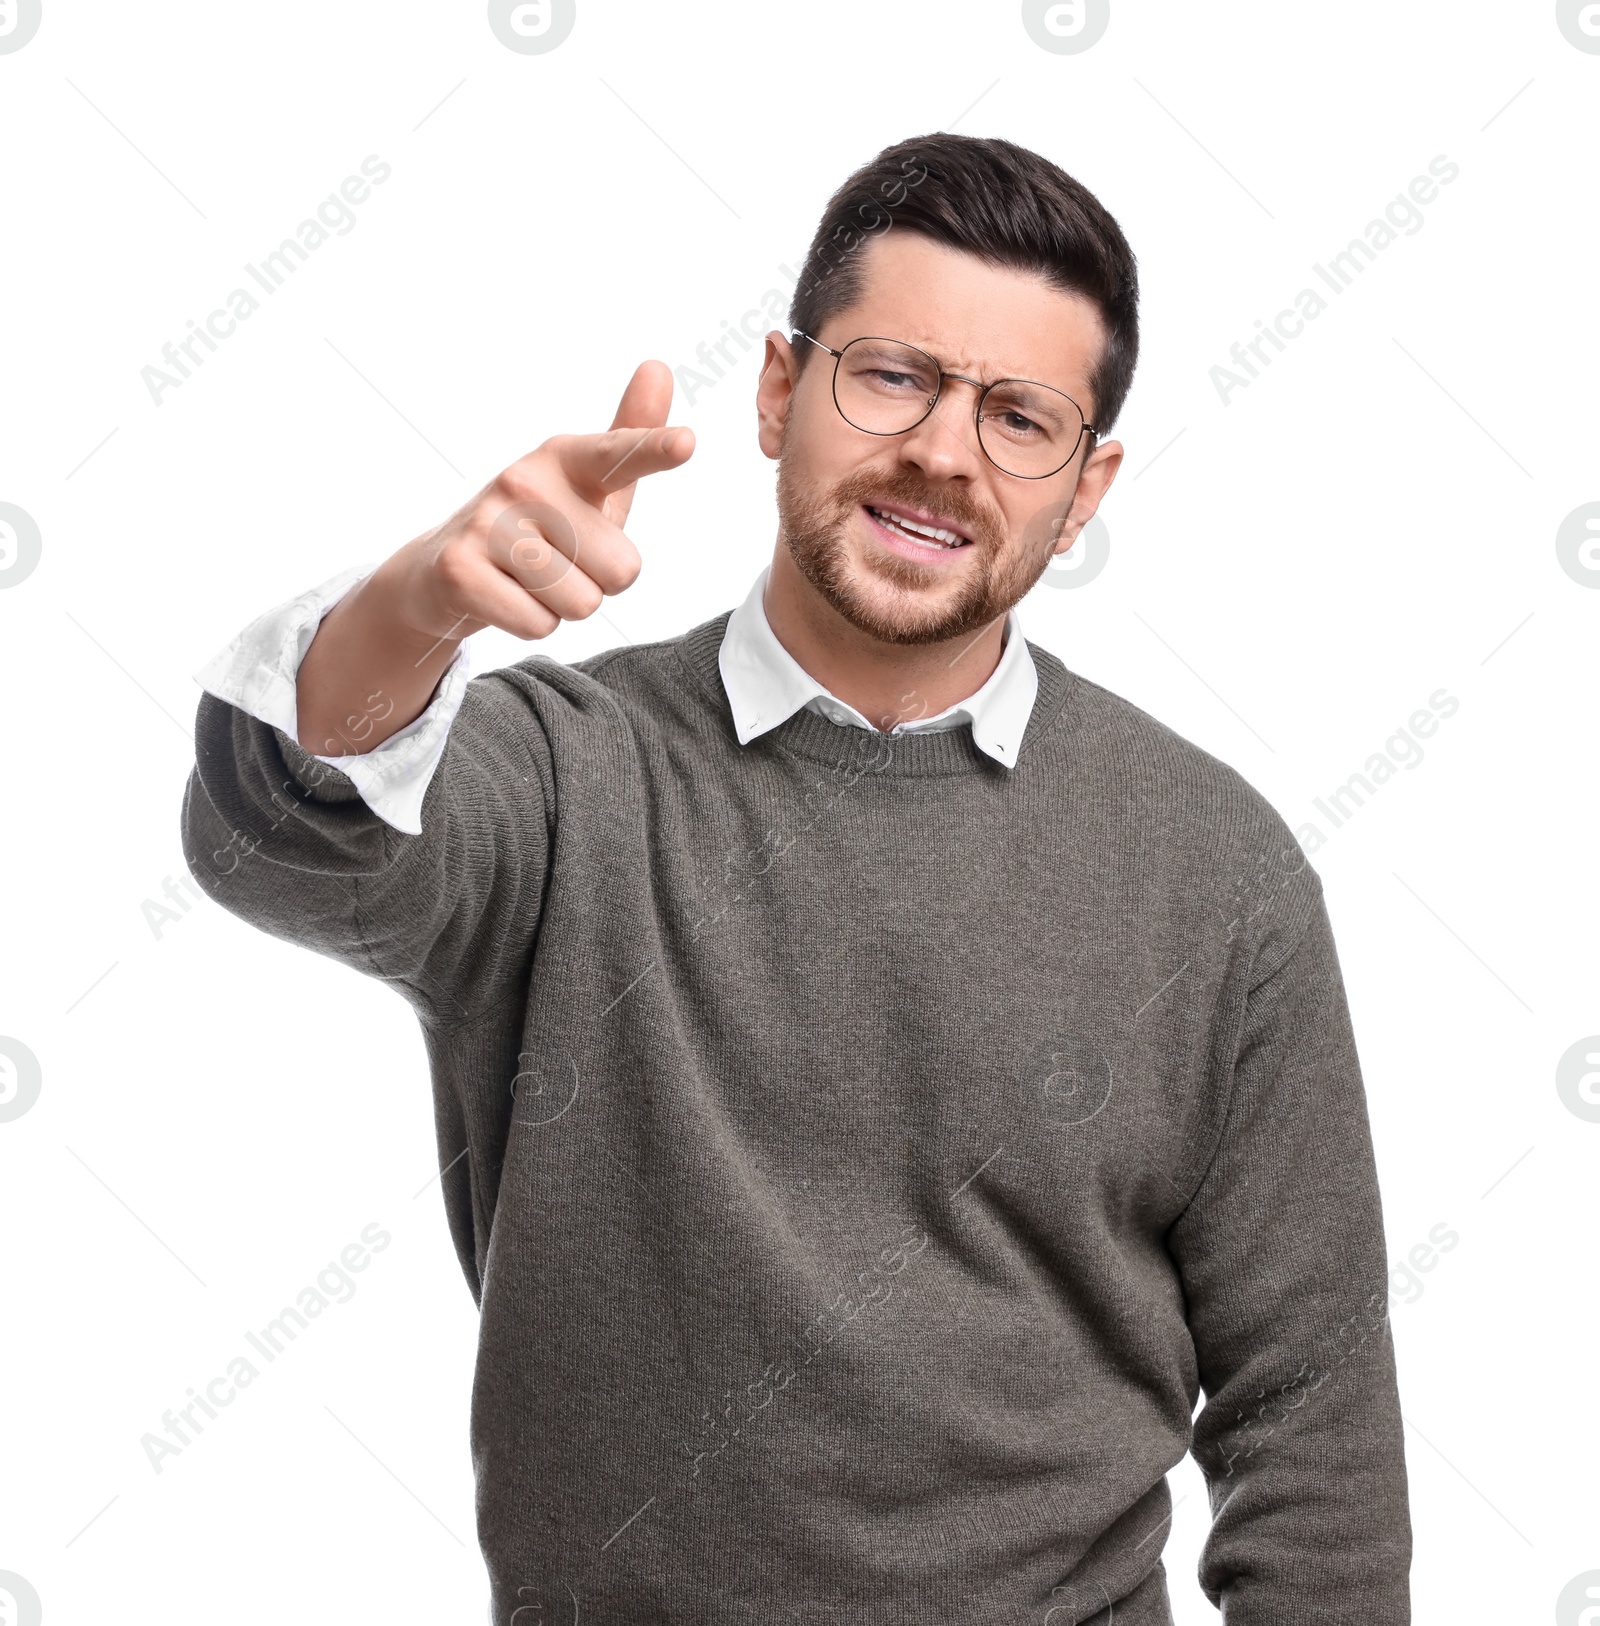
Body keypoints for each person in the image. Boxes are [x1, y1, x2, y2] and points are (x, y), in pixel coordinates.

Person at [182, 132, 1410, 1624]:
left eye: (1019, 417)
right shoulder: (570, 776)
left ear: (1084, 494)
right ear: (779, 389)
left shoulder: (1215, 869)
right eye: (893, 374)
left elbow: (1312, 1426)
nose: (945, 454)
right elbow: (283, 831)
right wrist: (417, 604)